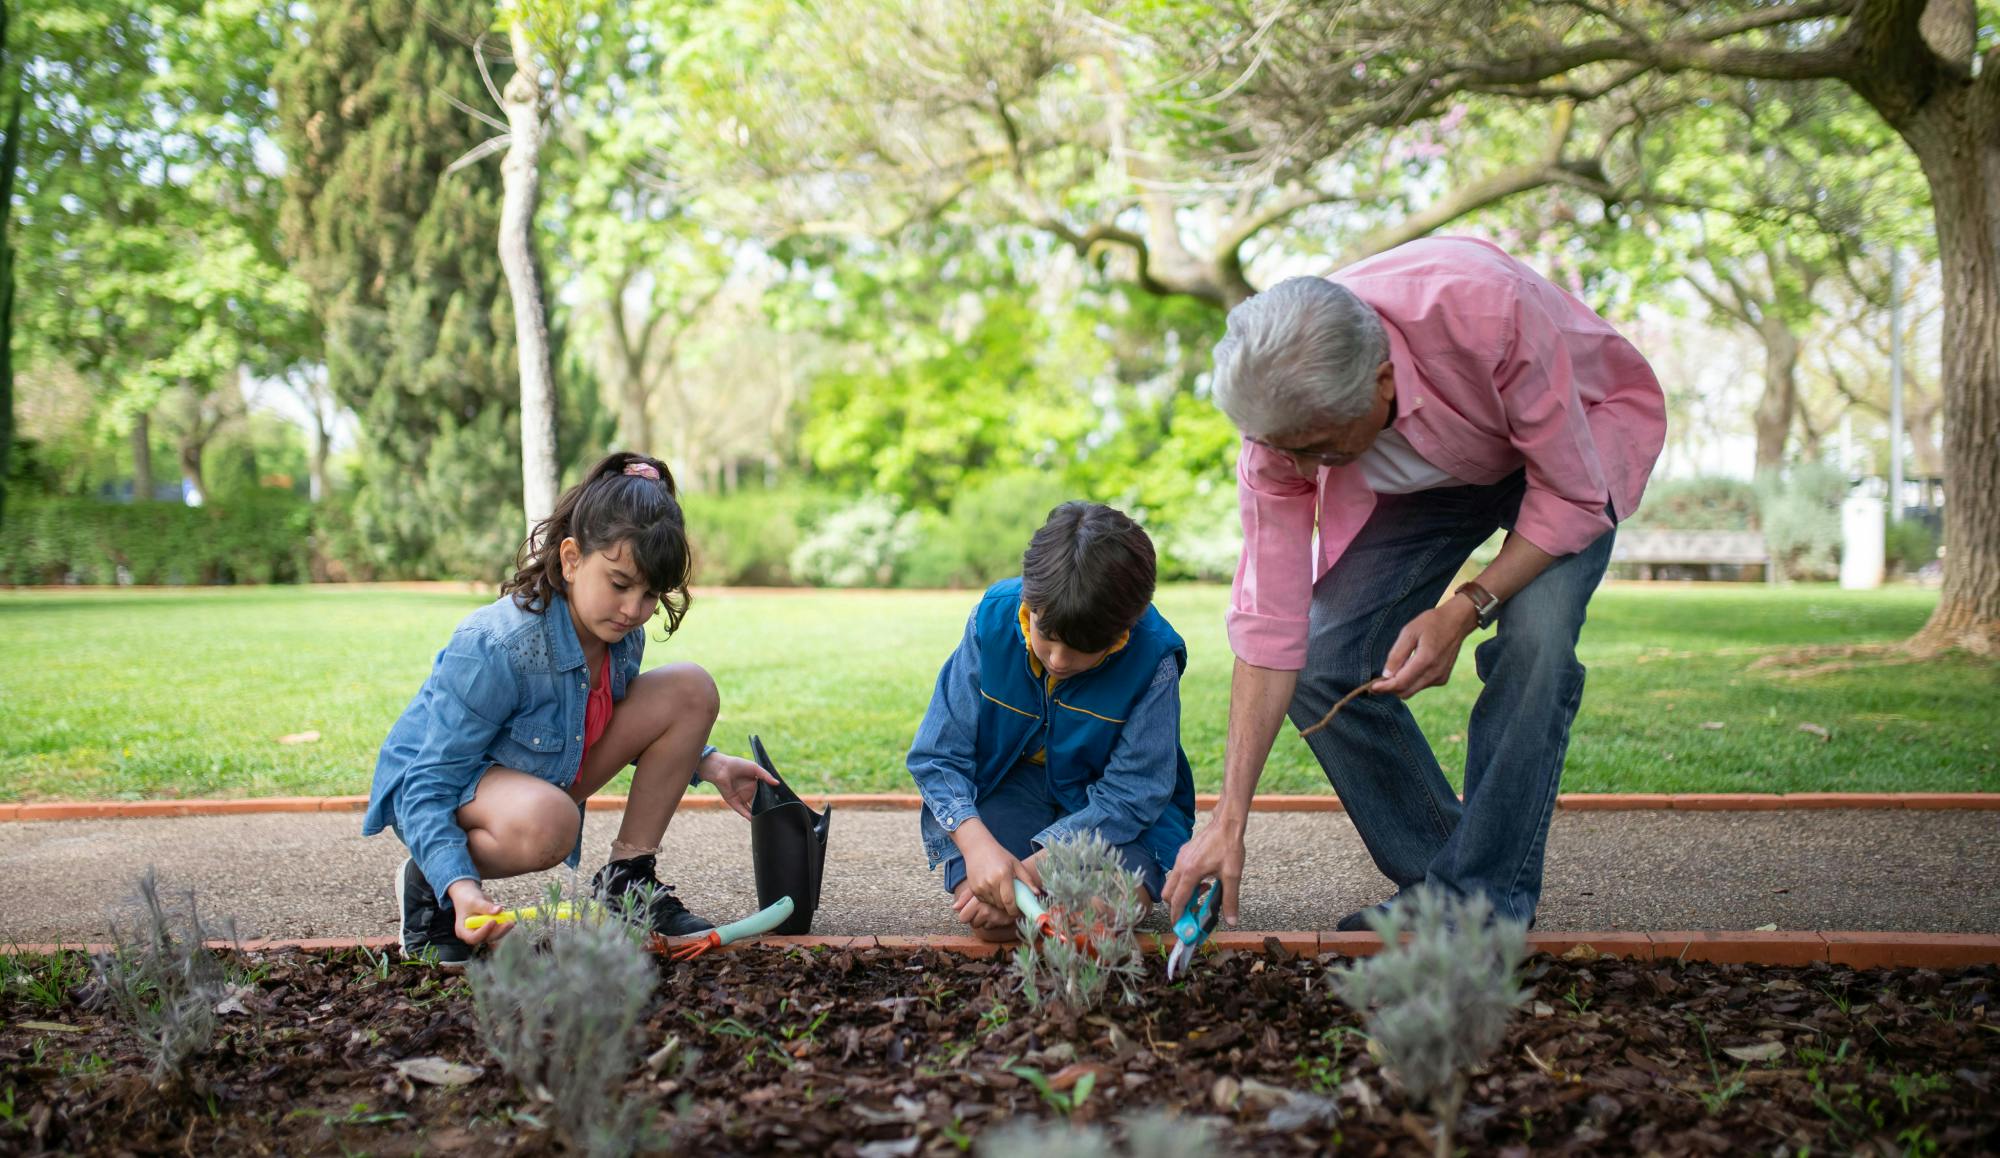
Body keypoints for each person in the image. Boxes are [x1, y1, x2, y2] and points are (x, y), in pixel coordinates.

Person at [1163, 236, 1666, 932]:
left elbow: (1573, 496)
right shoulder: (1282, 428)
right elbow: (1270, 623)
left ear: (1383, 382)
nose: (1300, 467)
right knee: (1323, 653)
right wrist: (1228, 818)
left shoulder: (1486, 310)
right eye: (1289, 450)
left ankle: (1481, 907)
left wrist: (1463, 608)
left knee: (1537, 642)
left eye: (1319, 449)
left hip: (1571, 448)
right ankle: (1448, 889)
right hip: (1436, 476)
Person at [363, 451, 777, 964]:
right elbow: (428, 784)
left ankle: (627, 884)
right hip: (442, 787)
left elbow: (598, 718)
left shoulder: (620, 636)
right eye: (621, 584)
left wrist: (706, 762)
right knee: (552, 824)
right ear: (572, 558)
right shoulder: (498, 645)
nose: (634, 610)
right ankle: (431, 884)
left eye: (651, 594)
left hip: (536, 774)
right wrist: (461, 885)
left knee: (690, 687)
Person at [907, 502, 1196, 942]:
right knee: (991, 917)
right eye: (1047, 637)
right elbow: (937, 756)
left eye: (1083, 649)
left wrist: (1029, 869)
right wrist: (979, 848)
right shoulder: (991, 620)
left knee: (1098, 914)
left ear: (1125, 627)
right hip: (1012, 788)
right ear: (1029, 603)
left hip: (1114, 815)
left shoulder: (1154, 658)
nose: (1059, 660)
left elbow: (1134, 793)